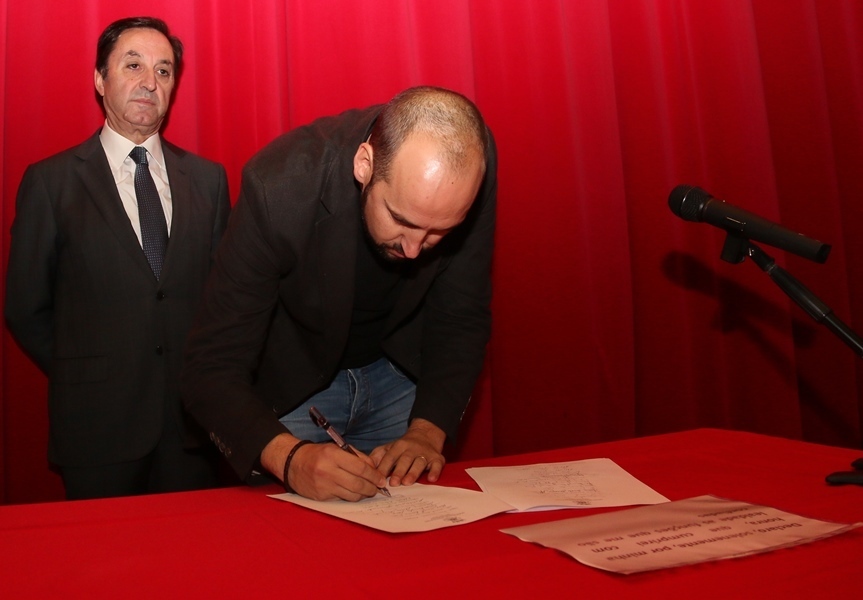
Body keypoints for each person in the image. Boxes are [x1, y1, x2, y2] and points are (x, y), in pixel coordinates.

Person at [181, 86, 496, 501]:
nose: (414, 250)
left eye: (440, 231)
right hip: (297, 385)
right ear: (364, 164)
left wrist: (426, 429)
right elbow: (210, 365)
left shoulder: (468, 162)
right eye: (401, 219)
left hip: (399, 376)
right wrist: (290, 460)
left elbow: (461, 314)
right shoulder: (279, 187)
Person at [4, 16, 231, 499]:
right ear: (99, 79)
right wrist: (88, 370)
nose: (150, 82)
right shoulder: (51, 182)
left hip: (191, 430)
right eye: (133, 65)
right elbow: (25, 307)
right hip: (96, 427)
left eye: (164, 71)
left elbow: (223, 300)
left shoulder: (209, 181)